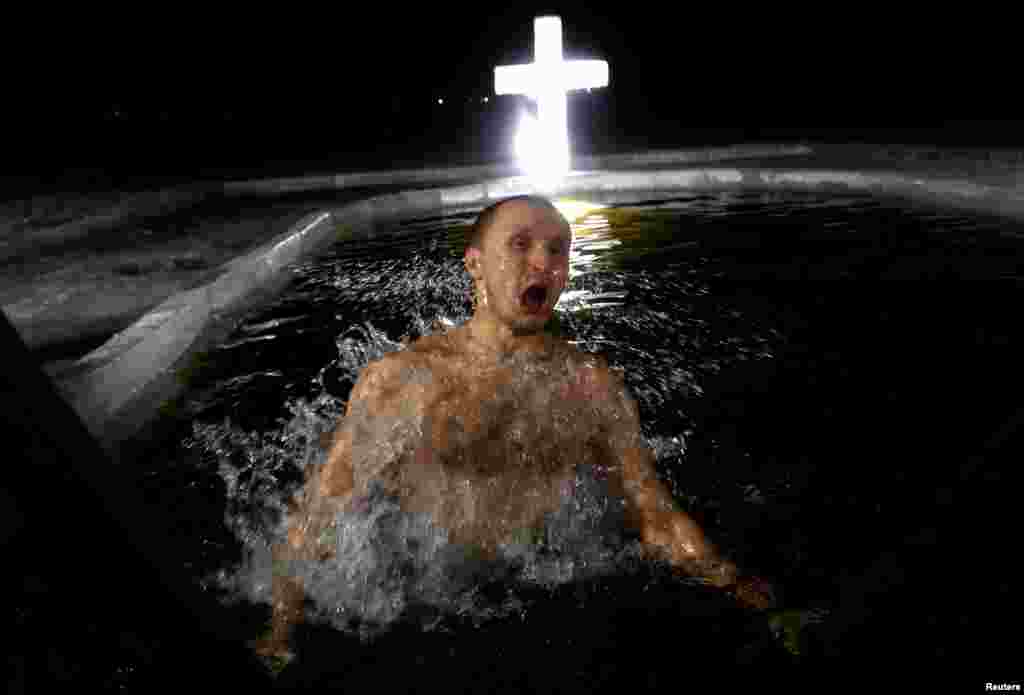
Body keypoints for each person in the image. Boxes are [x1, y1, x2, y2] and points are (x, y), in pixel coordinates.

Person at [254, 195, 776, 663]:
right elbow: (323, 513)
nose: (543, 264)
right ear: (475, 266)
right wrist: (279, 632)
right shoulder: (402, 381)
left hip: (545, 601)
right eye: (521, 245)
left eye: (557, 250)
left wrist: (734, 585)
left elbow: (656, 517)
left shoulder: (591, 385)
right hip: (425, 611)